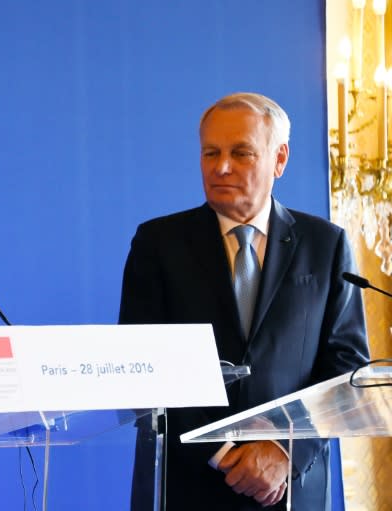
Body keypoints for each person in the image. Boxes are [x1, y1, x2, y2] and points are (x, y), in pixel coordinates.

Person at [118, 92, 369, 510]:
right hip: (184, 484)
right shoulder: (158, 244)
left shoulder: (325, 245)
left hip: (291, 487)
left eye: (241, 153)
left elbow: (347, 369)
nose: (221, 167)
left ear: (280, 159)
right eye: (210, 152)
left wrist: (286, 451)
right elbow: (141, 365)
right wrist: (224, 455)